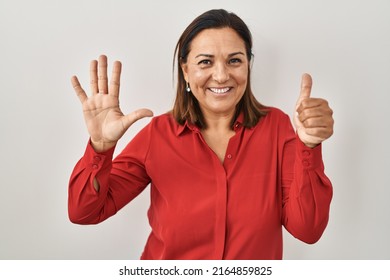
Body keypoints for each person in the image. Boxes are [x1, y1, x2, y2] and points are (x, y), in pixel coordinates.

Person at [68, 9, 334, 260]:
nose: (220, 75)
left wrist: (308, 146)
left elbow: (307, 229)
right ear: (185, 70)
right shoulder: (157, 135)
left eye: (234, 61)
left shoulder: (277, 127)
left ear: (248, 65)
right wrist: (100, 148)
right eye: (205, 62)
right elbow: (84, 212)